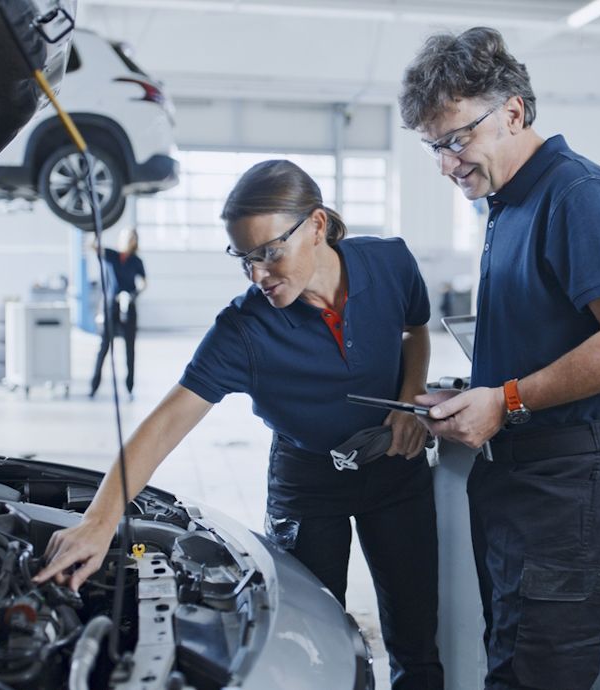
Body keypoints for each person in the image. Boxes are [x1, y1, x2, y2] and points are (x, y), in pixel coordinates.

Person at [36, 160, 444, 689]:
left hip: (395, 470)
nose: (257, 275)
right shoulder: (243, 330)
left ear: (317, 225)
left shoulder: (390, 262)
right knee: (313, 648)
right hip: (307, 485)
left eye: (269, 253)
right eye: (245, 259)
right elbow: (166, 423)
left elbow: (415, 329)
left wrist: (408, 399)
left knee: (416, 640)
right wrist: (100, 519)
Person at [398, 27, 600, 690]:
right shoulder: (508, 204)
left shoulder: (575, 194)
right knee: (512, 665)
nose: (446, 164)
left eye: (455, 139)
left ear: (513, 112)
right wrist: (475, 395)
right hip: (522, 482)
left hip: (569, 489)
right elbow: (544, 335)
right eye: (434, 147)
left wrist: (507, 400)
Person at [89, 228, 146, 400]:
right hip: (110, 307)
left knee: (130, 348)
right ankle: (94, 386)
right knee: (104, 346)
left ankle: (129, 387)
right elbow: (93, 246)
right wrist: (97, 230)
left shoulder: (136, 261)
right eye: (127, 236)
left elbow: (144, 282)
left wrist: (133, 294)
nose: (129, 239)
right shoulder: (110, 255)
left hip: (128, 306)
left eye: (132, 237)